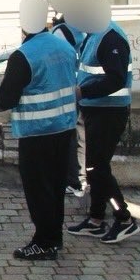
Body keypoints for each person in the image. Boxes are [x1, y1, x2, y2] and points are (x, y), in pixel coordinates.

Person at [0, 26, 78, 261]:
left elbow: (7, 97)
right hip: (64, 128)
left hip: (37, 132)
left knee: (39, 189)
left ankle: (44, 242)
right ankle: (54, 237)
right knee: (55, 186)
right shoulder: (65, 47)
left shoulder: (23, 55)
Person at [67, 19, 140, 244]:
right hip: (95, 109)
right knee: (93, 168)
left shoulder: (111, 36)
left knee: (97, 169)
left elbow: (115, 79)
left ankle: (124, 218)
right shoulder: (94, 33)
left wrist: (83, 91)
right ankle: (96, 220)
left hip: (109, 111)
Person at [51, 14, 87, 197]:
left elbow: (55, 63)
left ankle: (72, 179)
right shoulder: (85, 33)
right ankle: (79, 177)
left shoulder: (60, 32)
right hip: (81, 87)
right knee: (79, 136)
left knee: (68, 136)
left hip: (66, 90)